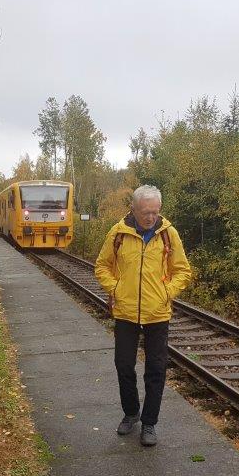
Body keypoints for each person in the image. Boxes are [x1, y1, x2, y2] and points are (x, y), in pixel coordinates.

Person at [94, 185, 193, 446]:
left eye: (154, 212)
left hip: (157, 313)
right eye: (145, 212)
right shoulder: (118, 233)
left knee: (156, 369)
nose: (150, 217)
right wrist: (115, 288)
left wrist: (166, 292)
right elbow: (102, 265)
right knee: (124, 365)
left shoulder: (168, 234)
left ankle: (149, 423)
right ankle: (131, 413)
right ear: (133, 209)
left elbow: (182, 270)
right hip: (125, 312)